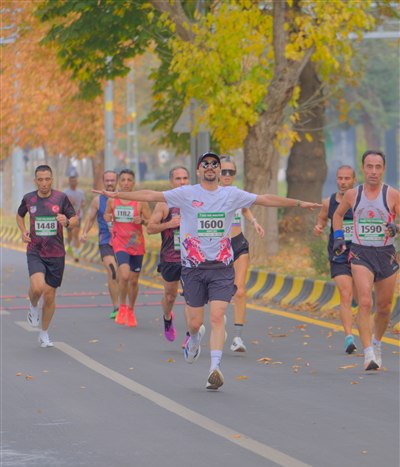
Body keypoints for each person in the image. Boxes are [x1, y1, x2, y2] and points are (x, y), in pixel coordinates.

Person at [94, 151, 320, 390]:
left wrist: (298, 203)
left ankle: (214, 368)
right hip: (193, 268)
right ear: (199, 170)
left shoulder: (231, 194)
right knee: (195, 323)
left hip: (221, 267)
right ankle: (193, 339)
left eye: (214, 164)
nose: (210, 167)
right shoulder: (187, 193)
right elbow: (151, 194)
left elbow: (265, 199)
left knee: (217, 316)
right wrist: (117, 194)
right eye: (206, 164)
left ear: (219, 170)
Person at [333, 150, 399, 370]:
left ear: (383, 169)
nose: (373, 171)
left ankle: (377, 343)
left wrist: (396, 227)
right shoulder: (354, 194)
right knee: (365, 302)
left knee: (384, 307)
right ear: (363, 168)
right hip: (361, 253)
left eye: (377, 167)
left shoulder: (392, 195)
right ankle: (368, 353)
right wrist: (338, 236)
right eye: (369, 166)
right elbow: (338, 215)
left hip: (386, 253)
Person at [16, 164, 78, 347]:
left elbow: (75, 219)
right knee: (37, 288)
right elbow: (19, 215)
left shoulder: (61, 198)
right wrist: (23, 231)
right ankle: (33, 305)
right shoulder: (29, 198)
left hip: (56, 253)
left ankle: (44, 333)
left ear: (52, 179)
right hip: (35, 250)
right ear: (35, 181)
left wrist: (67, 221)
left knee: (50, 296)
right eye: (40, 179)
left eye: (47, 179)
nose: (44, 183)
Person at [219, 155, 265, 353]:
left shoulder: (237, 193)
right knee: (219, 292)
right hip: (218, 247)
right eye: (223, 171)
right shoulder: (210, 194)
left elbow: (245, 209)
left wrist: (254, 222)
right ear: (217, 173)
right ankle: (218, 321)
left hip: (238, 243)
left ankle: (237, 337)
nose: (227, 175)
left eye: (231, 172)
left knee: (240, 290)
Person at [314, 165, 358, 354]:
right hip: (339, 253)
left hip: (360, 253)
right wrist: (319, 226)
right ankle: (349, 337)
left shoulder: (360, 200)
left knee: (362, 298)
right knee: (345, 294)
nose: (343, 182)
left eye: (347, 178)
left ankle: (367, 334)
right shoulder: (329, 202)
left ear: (354, 180)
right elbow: (322, 219)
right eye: (340, 178)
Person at [147, 166, 193, 344]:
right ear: (171, 181)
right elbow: (150, 228)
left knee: (191, 297)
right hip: (170, 258)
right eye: (178, 179)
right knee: (170, 296)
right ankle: (167, 317)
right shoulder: (164, 203)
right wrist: (169, 224)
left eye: (185, 178)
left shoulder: (195, 201)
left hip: (191, 258)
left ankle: (191, 336)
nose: (182, 182)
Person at [104, 169, 152, 327]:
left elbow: (151, 221)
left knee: (133, 280)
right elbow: (107, 215)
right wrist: (108, 217)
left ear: (133, 183)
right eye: (123, 180)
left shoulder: (140, 201)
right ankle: (122, 306)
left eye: (129, 180)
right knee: (124, 275)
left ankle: (131, 309)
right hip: (119, 243)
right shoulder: (112, 200)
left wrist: (142, 220)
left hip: (136, 244)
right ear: (119, 182)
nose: (125, 183)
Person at [80, 170, 120, 319]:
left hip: (123, 242)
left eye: (112, 180)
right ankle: (116, 307)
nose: (109, 183)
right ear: (103, 182)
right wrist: (84, 232)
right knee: (113, 272)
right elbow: (90, 218)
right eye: (107, 180)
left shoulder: (123, 198)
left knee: (123, 275)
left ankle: (125, 306)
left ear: (116, 181)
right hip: (106, 241)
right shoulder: (97, 201)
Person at [63, 167, 85, 262]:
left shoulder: (80, 192)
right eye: (72, 181)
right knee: (70, 235)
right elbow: (62, 205)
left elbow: (83, 202)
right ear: (69, 181)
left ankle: (76, 253)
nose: (73, 182)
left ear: (77, 181)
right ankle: (69, 245)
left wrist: (82, 205)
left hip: (78, 216)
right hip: (68, 217)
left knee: (76, 233)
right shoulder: (65, 192)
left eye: (75, 180)